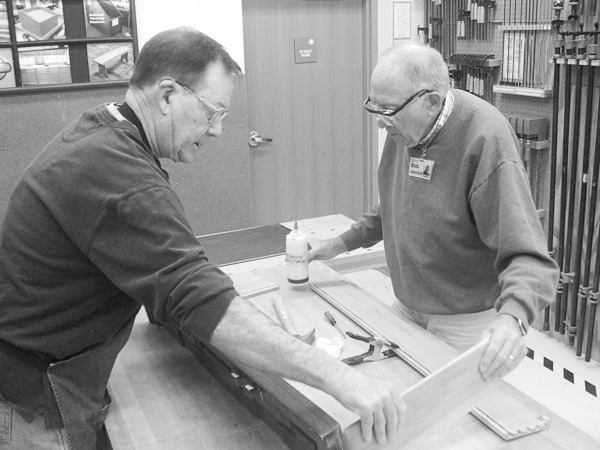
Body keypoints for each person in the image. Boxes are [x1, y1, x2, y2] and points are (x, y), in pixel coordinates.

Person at [0, 27, 404, 449]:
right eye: (214, 113)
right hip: (36, 397)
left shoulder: (107, 131)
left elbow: (163, 269)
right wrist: (339, 375)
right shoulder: (121, 175)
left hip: (49, 372)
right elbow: (199, 300)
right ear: (168, 95)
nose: (217, 131)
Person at [306, 43, 559, 381]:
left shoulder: (485, 139)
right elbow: (398, 202)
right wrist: (342, 242)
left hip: (464, 319)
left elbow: (530, 256)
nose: (381, 123)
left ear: (431, 102)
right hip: (409, 304)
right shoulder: (406, 129)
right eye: (374, 107)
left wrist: (513, 317)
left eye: (388, 110)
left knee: (457, 422)